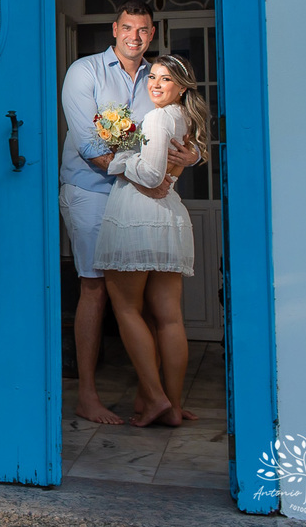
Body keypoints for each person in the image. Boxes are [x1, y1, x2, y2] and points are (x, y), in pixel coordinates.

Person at [59, 0, 197, 425]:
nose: (134, 37)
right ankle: (88, 396)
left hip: (140, 198)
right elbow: (92, 145)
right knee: (96, 288)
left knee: (149, 295)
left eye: (143, 30)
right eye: (127, 28)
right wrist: (151, 175)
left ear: (151, 33)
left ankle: (153, 397)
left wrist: (188, 158)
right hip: (92, 192)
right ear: (114, 29)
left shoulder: (159, 78)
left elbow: (178, 138)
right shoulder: (86, 72)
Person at [93, 54, 211, 427]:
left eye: (165, 80)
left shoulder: (160, 116)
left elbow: (149, 174)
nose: (155, 84)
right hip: (168, 215)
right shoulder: (183, 117)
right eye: (153, 77)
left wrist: (120, 159)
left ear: (181, 87)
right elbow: (172, 165)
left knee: (126, 307)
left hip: (139, 214)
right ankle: (170, 406)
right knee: (169, 318)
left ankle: (157, 398)